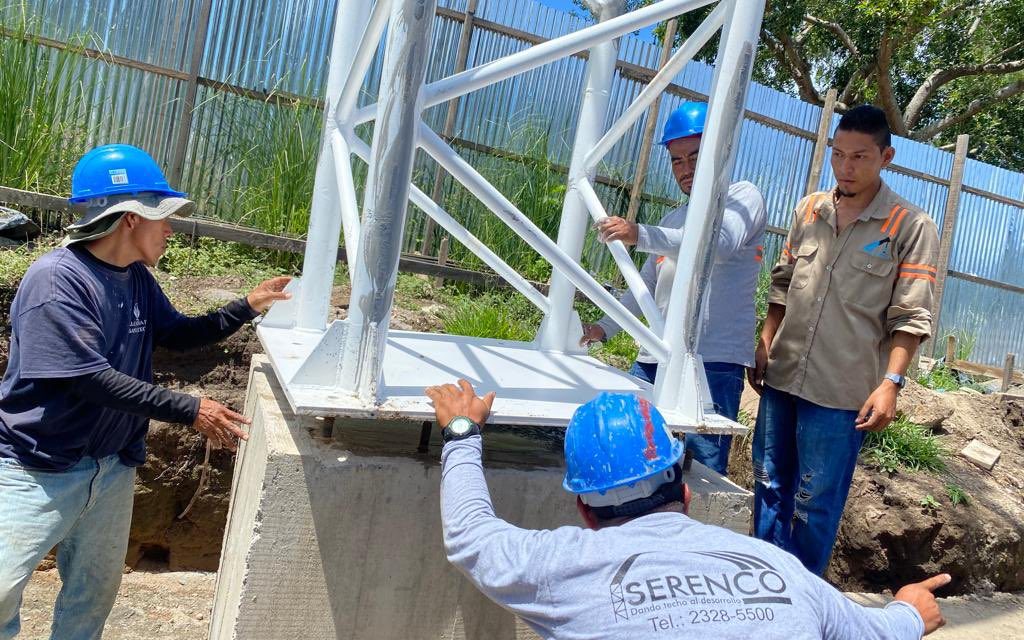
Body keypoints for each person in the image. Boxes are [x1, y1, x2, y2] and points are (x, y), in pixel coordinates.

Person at [0, 144, 291, 639]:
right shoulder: (57, 282)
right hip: (39, 469)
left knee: (91, 597)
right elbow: (87, 377)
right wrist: (190, 408)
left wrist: (246, 305)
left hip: (111, 469)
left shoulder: (134, 278)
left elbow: (176, 334)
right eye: (164, 217)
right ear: (130, 218)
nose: (171, 229)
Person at [426, 378, 948, 639]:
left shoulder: (562, 566)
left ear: (585, 509)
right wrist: (908, 610)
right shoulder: (777, 569)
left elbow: (472, 537)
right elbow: (871, 632)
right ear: (687, 492)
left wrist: (462, 432)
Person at [747, 105, 940, 575]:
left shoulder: (910, 227)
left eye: (860, 157)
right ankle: (765, 591)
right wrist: (765, 339)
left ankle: (804, 595)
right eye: (838, 155)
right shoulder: (810, 209)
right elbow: (783, 282)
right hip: (783, 375)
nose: (846, 168)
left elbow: (911, 316)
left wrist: (891, 383)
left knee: (815, 503)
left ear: (886, 156)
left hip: (840, 393)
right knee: (768, 484)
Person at [580, 101, 767, 477]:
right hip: (654, 359)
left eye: (695, 157)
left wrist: (641, 234)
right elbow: (644, 287)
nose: (686, 169)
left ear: (720, 150)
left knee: (701, 471)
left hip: (710, 363)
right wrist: (603, 328)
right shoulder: (673, 219)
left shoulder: (743, 197)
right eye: (677, 161)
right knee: (639, 458)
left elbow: (720, 243)